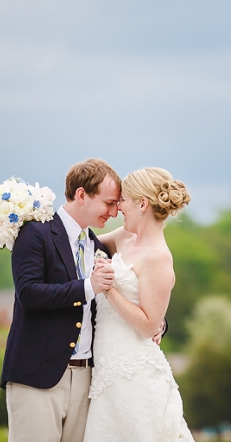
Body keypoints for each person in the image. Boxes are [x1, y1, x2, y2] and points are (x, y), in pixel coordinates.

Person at [0, 158, 120, 442]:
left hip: (87, 379)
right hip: (37, 376)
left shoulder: (98, 247)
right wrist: (86, 287)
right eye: (109, 203)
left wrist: (155, 326)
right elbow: (28, 293)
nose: (115, 212)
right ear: (81, 195)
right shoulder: (35, 233)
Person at [83, 167, 194, 441]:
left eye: (123, 200)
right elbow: (82, 245)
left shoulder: (158, 258)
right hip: (106, 370)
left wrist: (108, 290)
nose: (118, 207)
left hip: (135, 373)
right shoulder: (123, 238)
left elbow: (148, 326)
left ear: (142, 204)